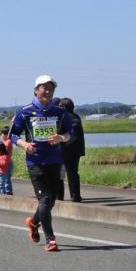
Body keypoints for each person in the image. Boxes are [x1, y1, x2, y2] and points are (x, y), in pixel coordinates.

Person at [9, 75, 74, 252]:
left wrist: (61, 138)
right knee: (44, 199)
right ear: (36, 90)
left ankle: (34, 222)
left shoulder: (60, 112)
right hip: (35, 161)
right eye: (44, 88)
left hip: (55, 160)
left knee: (51, 200)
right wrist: (24, 144)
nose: (48, 91)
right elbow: (12, 135)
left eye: (51, 89)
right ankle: (50, 239)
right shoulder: (25, 111)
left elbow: (70, 133)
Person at [58, 98, 85, 202]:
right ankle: (75, 195)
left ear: (63, 107)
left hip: (66, 149)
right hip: (76, 150)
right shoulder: (76, 116)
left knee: (60, 174)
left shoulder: (65, 117)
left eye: (60, 106)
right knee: (73, 173)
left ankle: (59, 196)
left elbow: (62, 133)